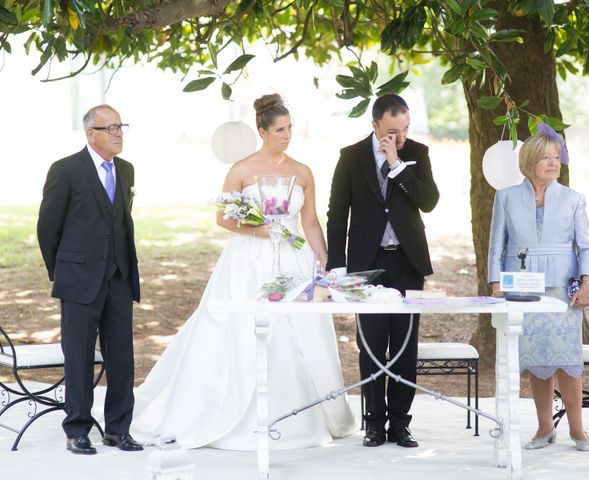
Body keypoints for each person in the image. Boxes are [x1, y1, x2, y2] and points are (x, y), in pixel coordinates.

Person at [131, 94, 358, 449]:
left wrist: (323, 260)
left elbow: (310, 221)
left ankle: (304, 415)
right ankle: (231, 410)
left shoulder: (302, 171)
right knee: (239, 329)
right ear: (263, 131)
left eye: (290, 128)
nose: (287, 135)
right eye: (280, 130)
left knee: (299, 331)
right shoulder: (241, 169)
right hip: (249, 259)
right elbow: (223, 217)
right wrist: (258, 229)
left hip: (293, 256)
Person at [326, 94, 439, 448]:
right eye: (393, 130)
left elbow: (429, 201)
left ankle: (401, 424)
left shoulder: (417, 154)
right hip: (366, 264)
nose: (400, 136)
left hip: (408, 262)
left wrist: (397, 165)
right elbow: (336, 212)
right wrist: (337, 265)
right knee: (371, 345)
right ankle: (374, 423)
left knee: (405, 347)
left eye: (405, 128)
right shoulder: (351, 157)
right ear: (375, 125)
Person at [37, 105, 143, 455]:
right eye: (110, 127)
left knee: (122, 358)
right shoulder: (66, 170)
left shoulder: (126, 171)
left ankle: (117, 429)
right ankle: (77, 429)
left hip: (118, 277)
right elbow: (47, 229)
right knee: (79, 356)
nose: (118, 132)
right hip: (79, 278)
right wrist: (64, 271)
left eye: (121, 126)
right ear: (91, 134)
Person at [487, 126, 589, 452]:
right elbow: (496, 244)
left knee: (568, 360)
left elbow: (587, 246)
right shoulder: (505, 197)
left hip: (563, 290)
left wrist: (588, 282)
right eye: (545, 158)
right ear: (529, 161)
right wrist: (495, 283)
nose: (552, 163)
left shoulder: (574, 198)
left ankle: (578, 429)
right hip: (520, 289)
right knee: (536, 360)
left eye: (556, 158)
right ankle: (544, 428)